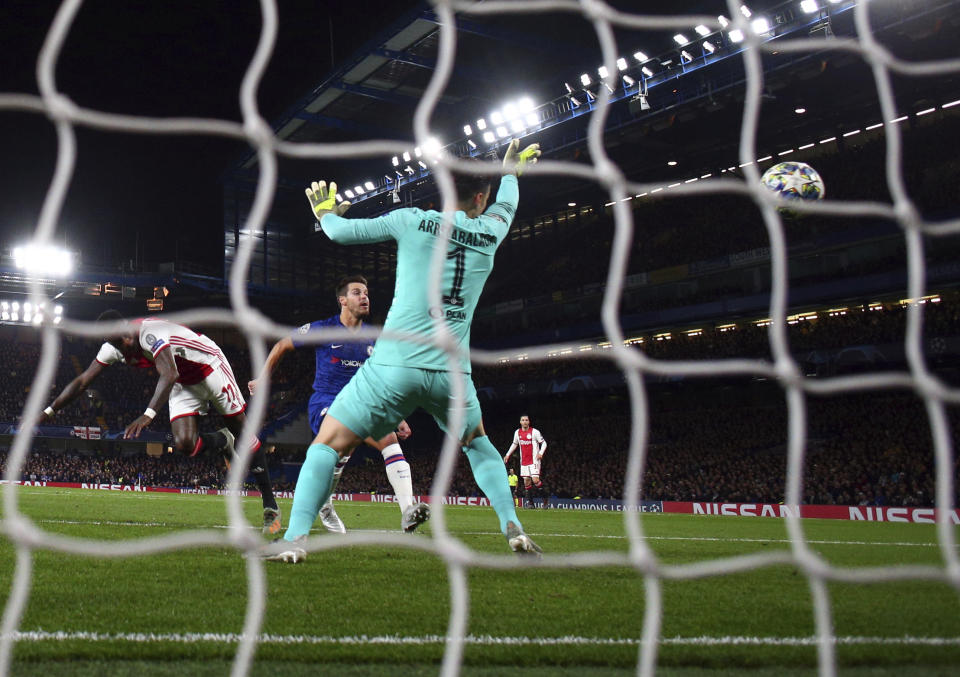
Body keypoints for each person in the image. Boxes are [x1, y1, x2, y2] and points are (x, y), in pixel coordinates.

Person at [266, 139, 542, 563]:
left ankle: (297, 539)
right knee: (479, 445)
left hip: (394, 364)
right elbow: (508, 203)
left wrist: (325, 212)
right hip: (452, 373)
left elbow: (340, 232)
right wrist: (509, 174)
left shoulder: (411, 220)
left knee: (325, 446)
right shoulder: (491, 231)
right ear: (480, 198)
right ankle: (514, 529)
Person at [38, 310, 282, 534]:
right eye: (120, 341)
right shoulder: (113, 349)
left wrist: (148, 414)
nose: (127, 341)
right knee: (185, 444)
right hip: (183, 383)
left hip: (209, 367)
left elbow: (170, 372)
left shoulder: (149, 333)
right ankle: (222, 440)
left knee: (244, 433)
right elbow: (82, 382)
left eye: (126, 335)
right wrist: (47, 411)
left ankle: (270, 507)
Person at [248, 275, 429, 533]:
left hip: (362, 403)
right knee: (346, 443)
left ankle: (408, 511)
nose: (364, 297)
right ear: (342, 300)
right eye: (357, 292)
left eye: (366, 292)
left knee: (384, 441)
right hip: (326, 402)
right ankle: (321, 507)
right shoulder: (323, 329)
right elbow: (281, 345)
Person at [503, 415, 548, 509]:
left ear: (529, 422)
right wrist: (507, 455)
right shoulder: (517, 433)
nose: (525, 422)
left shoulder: (535, 432)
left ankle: (545, 500)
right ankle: (531, 504)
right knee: (526, 482)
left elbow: (544, 443)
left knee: (535, 480)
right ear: (520, 422)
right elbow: (514, 444)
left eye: (526, 420)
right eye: (523, 420)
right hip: (524, 461)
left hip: (534, 460)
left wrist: (540, 453)